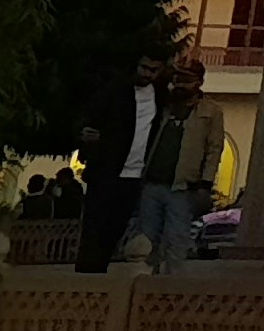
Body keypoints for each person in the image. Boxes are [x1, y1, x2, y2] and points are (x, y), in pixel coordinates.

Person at [74, 53, 170, 272]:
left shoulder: (161, 97)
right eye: (144, 67)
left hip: (135, 177)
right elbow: (90, 123)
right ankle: (87, 278)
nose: (147, 73)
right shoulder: (114, 92)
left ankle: (98, 275)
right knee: (94, 230)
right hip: (106, 172)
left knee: (115, 230)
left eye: (153, 69)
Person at [136, 59, 230, 265]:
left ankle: (167, 289)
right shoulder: (165, 106)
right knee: (144, 240)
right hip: (152, 182)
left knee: (176, 241)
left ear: (198, 82)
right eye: (177, 79)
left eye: (186, 80)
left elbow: (214, 149)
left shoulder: (211, 110)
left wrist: (206, 184)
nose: (179, 85)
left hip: (183, 187)